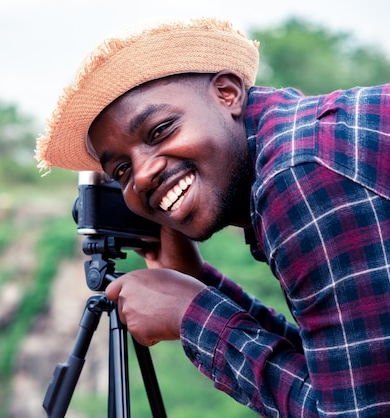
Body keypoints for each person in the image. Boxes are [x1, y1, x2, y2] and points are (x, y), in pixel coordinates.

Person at [35, 17, 390, 417]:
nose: (144, 173)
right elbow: (342, 373)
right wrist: (200, 286)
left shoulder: (298, 173)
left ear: (227, 93)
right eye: (121, 172)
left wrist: (191, 313)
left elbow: (355, 411)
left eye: (159, 131)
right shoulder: (297, 147)